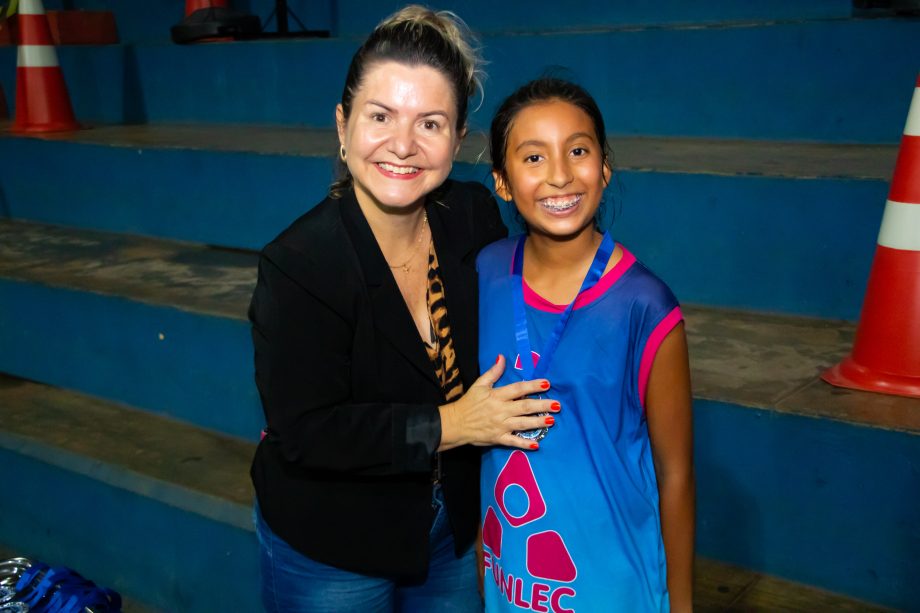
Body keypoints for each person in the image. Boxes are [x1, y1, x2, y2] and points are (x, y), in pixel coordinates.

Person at [248, 7, 558, 612]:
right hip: (334, 545)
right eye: (381, 116)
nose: (403, 145)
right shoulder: (298, 265)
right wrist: (453, 424)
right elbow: (307, 432)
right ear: (342, 126)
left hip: (452, 529)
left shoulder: (470, 217)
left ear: (458, 139)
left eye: (431, 123)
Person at [477, 78, 695, 612]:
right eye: (533, 158)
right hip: (511, 584)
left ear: (604, 167)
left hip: (610, 588)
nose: (559, 174)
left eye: (578, 150)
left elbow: (676, 473)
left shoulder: (646, 305)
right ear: (502, 183)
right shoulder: (484, 272)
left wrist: (684, 605)